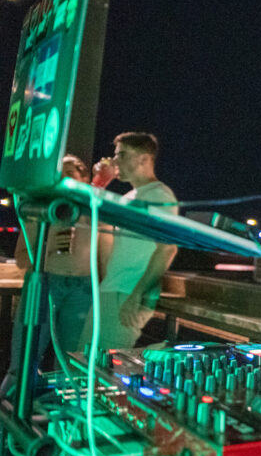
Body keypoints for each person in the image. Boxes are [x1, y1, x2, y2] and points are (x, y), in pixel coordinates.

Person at [0, 155, 96, 397]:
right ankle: (9, 412)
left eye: (71, 174)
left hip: (81, 290)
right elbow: (21, 255)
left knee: (72, 363)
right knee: (23, 358)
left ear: (84, 179)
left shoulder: (92, 211)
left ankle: (61, 420)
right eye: (59, 175)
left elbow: (103, 259)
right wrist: (45, 257)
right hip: (45, 284)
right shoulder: (41, 211)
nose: (64, 180)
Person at [80, 132, 178, 351]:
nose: (115, 161)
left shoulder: (159, 196)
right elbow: (90, 220)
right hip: (113, 289)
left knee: (100, 365)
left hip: (127, 293)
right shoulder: (129, 198)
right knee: (85, 359)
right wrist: (99, 183)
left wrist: (137, 295)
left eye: (122, 155)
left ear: (144, 158)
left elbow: (167, 249)